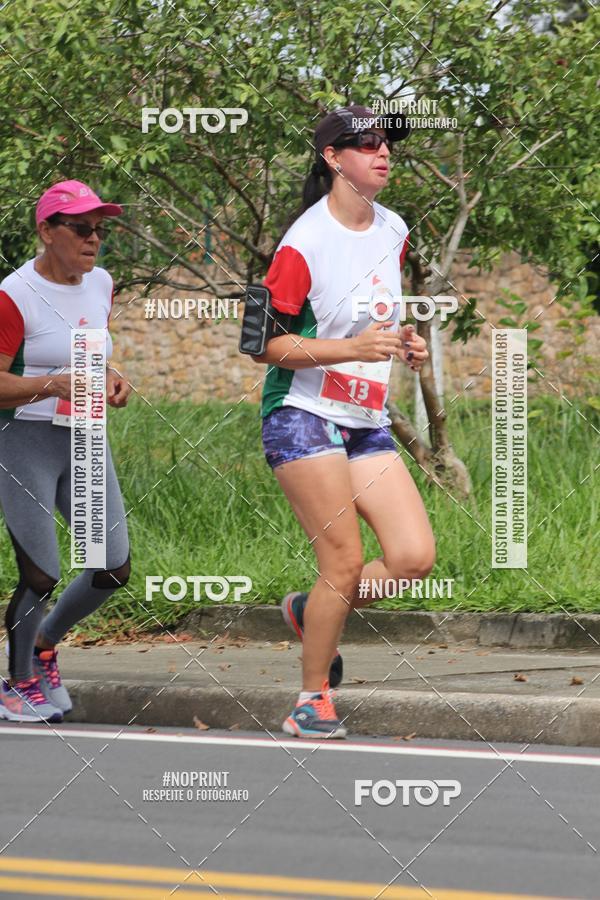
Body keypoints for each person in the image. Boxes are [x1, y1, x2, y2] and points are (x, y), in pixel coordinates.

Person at [252, 106, 436, 739]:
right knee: (345, 563)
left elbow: (375, 319)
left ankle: (309, 611)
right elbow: (268, 348)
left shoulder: (394, 228)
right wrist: (356, 349)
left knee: (413, 558)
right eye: (365, 144)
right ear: (333, 159)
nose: (382, 152)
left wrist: (404, 343)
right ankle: (310, 701)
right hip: (301, 414)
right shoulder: (301, 244)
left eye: (387, 143)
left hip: (363, 417)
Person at [0, 179, 131, 723]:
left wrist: (115, 376)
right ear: (46, 231)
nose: (93, 238)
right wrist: (51, 385)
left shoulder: (101, 284)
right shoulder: (14, 294)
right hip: (22, 440)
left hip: (83, 437)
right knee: (41, 574)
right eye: (80, 227)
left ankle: (46, 645)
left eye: (100, 229)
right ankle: (17, 682)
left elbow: (93, 352)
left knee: (112, 567)